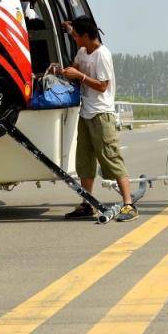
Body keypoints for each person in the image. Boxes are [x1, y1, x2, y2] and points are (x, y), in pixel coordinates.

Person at [58, 16, 137, 222]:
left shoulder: (102, 55)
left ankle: (128, 204)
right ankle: (87, 203)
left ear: (86, 35)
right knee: (84, 161)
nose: (74, 39)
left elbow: (103, 86)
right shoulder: (83, 51)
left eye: (76, 36)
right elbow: (75, 67)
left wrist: (80, 76)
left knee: (111, 157)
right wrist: (64, 70)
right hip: (86, 113)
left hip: (101, 114)